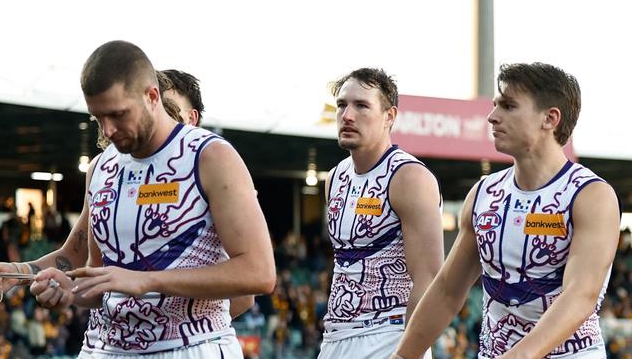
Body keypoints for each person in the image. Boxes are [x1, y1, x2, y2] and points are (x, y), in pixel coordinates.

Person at [29, 40, 276, 357]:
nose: (109, 129)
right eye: (97, 118)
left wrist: (147, 281)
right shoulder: (101, 168)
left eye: (118, 114)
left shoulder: (210, 155)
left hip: (189, 347)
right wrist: (68, 290)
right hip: (102, 348)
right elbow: (102, 277)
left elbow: (259, 273)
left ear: (152, 96)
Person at [393, 62, 620, 359]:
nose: (492, 117)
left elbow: (580, 296)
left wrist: (518, 356)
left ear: (550, 118)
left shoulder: (591, 195)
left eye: (508, 106)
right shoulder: (484, 193)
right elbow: (448, 291)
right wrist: (402, 355)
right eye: (495, 105)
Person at [318, 68, 444, 359]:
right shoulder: (334, 178)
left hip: (389, 335)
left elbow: (429, 279)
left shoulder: (409, 177)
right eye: (341, 105)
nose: (347, 115)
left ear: (390, 116)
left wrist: (406, 353)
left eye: (361, 106)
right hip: (335, 337)